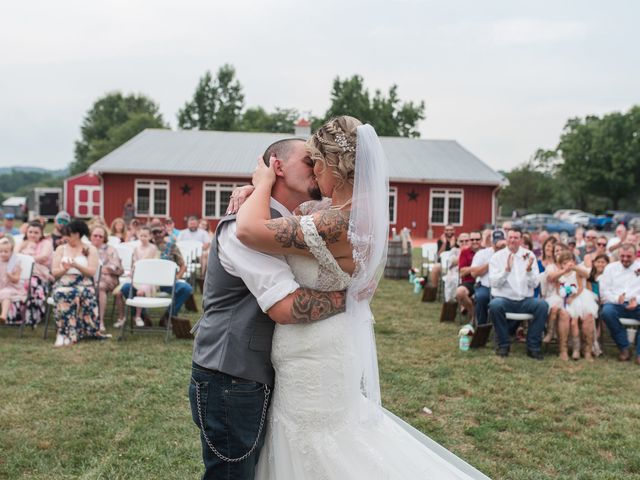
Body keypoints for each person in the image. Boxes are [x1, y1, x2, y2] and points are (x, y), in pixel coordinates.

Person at [236, 116, 489, 479]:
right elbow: (294, 211)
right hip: (317, 348)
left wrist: (260, 183)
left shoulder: (336, 225)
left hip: (316, 354)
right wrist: (254, 193)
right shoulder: (340, 215)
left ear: (331, 167)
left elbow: (248, 230)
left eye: (315, 165)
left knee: (323, 448)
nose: (312, 174)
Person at [189, 137, 349, 479]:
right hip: (231, 376)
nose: (318, 168)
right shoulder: (240, 231)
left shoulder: (290, 222)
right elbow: (286, 307)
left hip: (261, 374)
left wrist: (254, 189)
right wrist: (349, 299)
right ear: (277, 167)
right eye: (310, 161)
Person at [488, 227, 547, 359]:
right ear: (506, 239)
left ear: (521, 240)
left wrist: (529, 271)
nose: (512, 240)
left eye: (516, 238)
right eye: (510, 237)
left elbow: (535, 284)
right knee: (495, 305)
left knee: (542, 305)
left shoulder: (529, 255)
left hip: (525, 300)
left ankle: (533, 347)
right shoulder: (497, 257)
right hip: (505, 299)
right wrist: (506, 271)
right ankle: (503, 345)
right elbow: (493, 283)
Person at [50, 219, 103, 346]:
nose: (65, 237)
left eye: (68, 235)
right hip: (64, 282)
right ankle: (63, 333)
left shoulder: (91, 249)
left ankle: (68, 334)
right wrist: (65, 269)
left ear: (77, 234)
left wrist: (76, 265)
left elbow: (90, 272)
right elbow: (55, 273)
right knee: (62, 293)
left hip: (84, 283)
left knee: (73, 293)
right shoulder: (60, 249)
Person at [553, 250, 598, 361]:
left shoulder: (577, 270)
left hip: (581, 298)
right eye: (565, 262)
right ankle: (563, 350)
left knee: (588, 317)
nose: (568, 264)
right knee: (564, 315)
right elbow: (554, 281)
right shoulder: (560, 272)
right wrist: (564, 270)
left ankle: (587, 350)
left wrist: (574, 267)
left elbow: (587, 275)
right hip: (565, 300)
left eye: (570, 261)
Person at [599, 243, 640, 365]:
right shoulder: (610, 268)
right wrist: (617, 299)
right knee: (606, 312)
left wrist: (636, 300)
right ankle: (624, 347)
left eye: (629, 256)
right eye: (622, 256)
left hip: (637, 304)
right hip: (616, 304)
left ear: (635, 255)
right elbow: (604, 291)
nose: (625, 259)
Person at [114, 225, 158, 328]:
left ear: (150, 236)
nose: (143, 238)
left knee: (140, 292)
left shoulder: (152, 248)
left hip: (148, 278)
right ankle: (122, 317)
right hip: (136, 276)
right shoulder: (136, 249)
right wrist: (132, 272)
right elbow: (134, 264)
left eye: (145, 236)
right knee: (118, 293)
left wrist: (137, 267)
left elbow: (148, 264)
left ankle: (137, 316)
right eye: (141, 235)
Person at [15, 221, 53, 325]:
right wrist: (28, 256)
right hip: (21, 274)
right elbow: (15, 257)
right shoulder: (22, 243)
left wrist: (26, 258)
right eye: (30, 232)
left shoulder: (46, 243)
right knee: (17, 285)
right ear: (26, 232)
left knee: (31, 285)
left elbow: (44, 257)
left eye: (36, 232)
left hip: (38, 275)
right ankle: (16, 317)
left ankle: (34, 317)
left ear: (41, 234)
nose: (32, 235)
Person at [90, 224, 124, 330]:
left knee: (100, 287)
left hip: (109, 279)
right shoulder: (86, 248)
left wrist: (100, 269)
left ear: (104, 238)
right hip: (89, 278)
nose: (98, 238)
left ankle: (100, 321)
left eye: (101, 236)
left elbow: (115, 267)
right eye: (95, 235)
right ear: (90, 236)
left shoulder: (110, 250)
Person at [469, 230, 506, 326]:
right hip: (485, 285)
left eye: (500, 242)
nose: (497, 245)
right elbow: (473, 274)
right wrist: (493, 260)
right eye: (495, 242)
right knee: (482, 297)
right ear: (491, 242)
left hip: (503, 287)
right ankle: (482, 326)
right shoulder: (482, 253)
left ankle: (507, 328)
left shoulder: (508, 253)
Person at [455, 231, 482, 319]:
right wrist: (479, 268)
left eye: (477, 239)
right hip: (469, 282)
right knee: (459, 292)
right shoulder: (465, 252)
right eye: (472, 239)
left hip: (484, 281)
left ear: (481, 240)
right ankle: (474, 314)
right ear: (469, 240)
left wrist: (469, 269)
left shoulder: (486, 251)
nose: (474, 241)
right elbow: (462, 272)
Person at [587, 253, 609, 357]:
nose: (600, 264)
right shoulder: (589, 275)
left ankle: (596, 343)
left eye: (603, 262)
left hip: (604, 302)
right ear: (594, 263)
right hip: (591, 301)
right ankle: (591, 343)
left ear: (608, 264)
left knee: (601, 313)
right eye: (598, 262)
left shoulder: (609, 276)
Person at [0, 237, 26, 323]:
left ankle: (3, 315)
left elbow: (16, 280)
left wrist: (10, 275)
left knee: (5, 292)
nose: (3, 254)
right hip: (1, 286)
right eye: (1, 251)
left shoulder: (14, 263)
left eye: (6, 252)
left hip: (12, 288)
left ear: (11, 252)